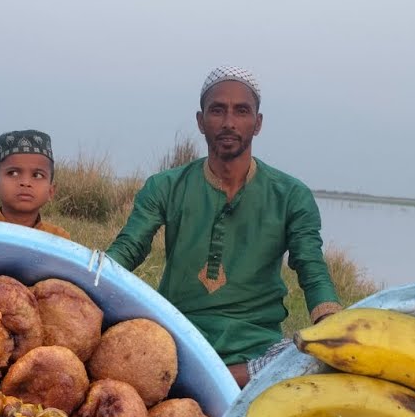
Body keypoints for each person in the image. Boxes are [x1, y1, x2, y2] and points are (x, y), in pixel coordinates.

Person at [104, 66, 343, 386]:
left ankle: (205, 381)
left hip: (258, 348)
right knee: (117, 342)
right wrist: (88, 280)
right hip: (179, 336)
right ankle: (217, 381)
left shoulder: (290, 195)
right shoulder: (166, 186)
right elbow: (129, 247)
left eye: (241, 111)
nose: (229, 122)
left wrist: (331, 329)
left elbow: (311, 266)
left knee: (305, 357)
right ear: (201, 121)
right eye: (218, 110)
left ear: (257, 124)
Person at [0, 129, 75, 241]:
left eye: (37, 175)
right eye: (13, 173)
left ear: (51, 192)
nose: (26, 183)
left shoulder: (58, 240)